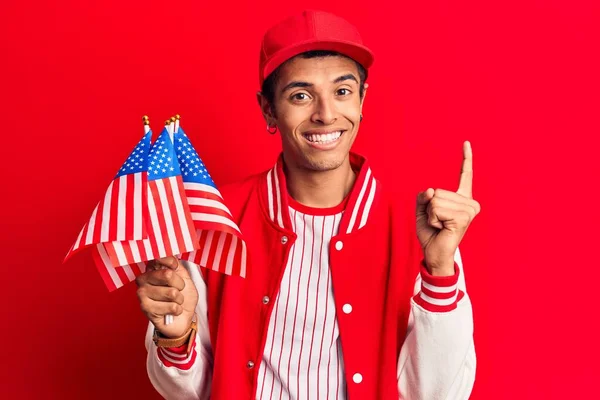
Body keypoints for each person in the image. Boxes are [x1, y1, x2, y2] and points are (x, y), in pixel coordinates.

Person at [135, 9, 480, 400]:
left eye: (342, 91)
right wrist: (176, 336)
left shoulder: (417, 225)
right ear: (268, 108)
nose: (326, 114)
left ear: (363, 99)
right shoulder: (212, 217)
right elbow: (186, 391)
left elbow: (439, 394)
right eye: (300, 95)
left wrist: (439, 270)